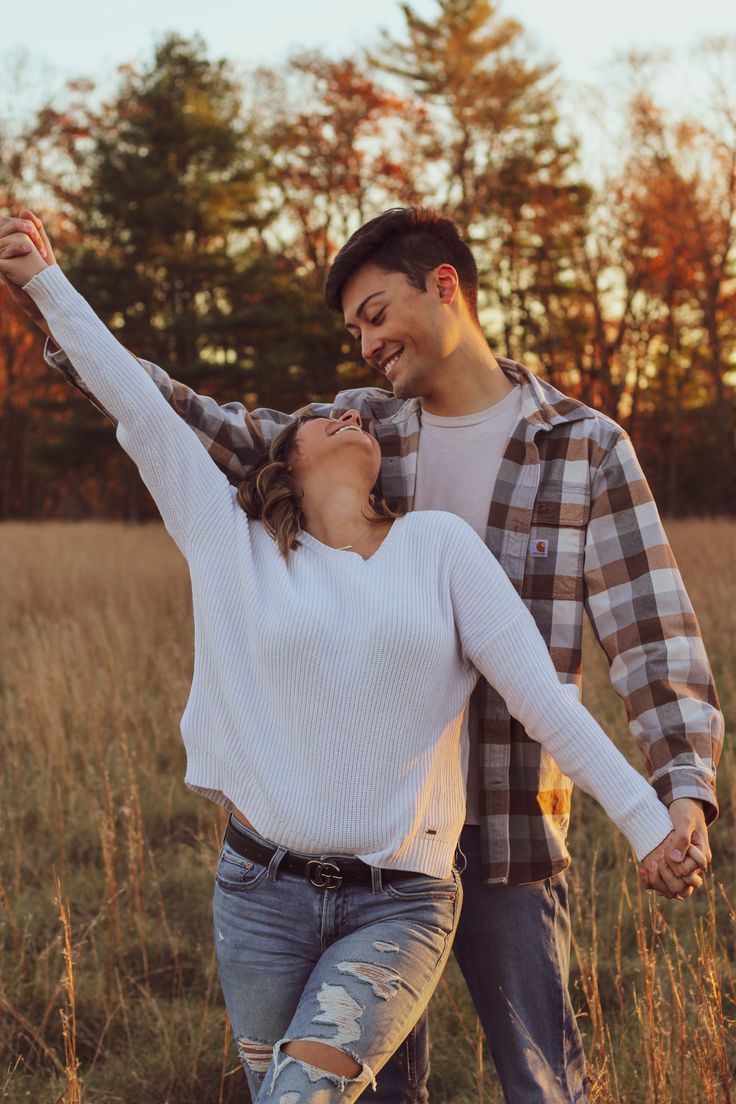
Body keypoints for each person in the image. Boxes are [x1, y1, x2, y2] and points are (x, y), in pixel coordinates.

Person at [0, 208, 721, 1104]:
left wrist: (676, 797)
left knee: (543, 1083)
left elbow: (645, 632)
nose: (366, 347)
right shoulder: (361, 430)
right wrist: (52, 301)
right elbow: (172, 421)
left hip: (505, 832)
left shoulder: (580, 449)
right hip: (301, 864)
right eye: (354, 331)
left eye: (377, 315)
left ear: (444, 285)